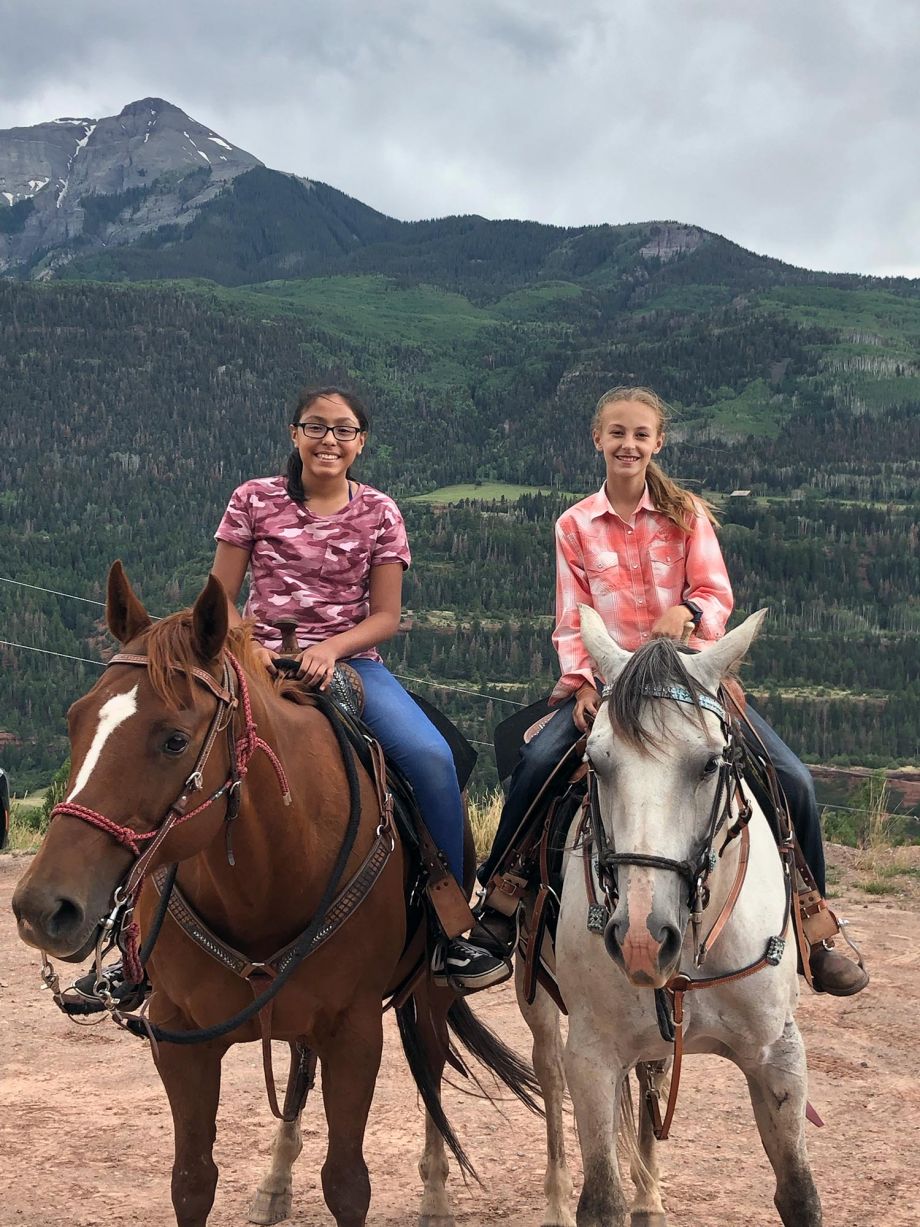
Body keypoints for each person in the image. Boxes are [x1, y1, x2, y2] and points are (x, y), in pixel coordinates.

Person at [476, 385, 867, 997]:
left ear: (657, 442)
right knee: (536, 762)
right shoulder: (574, 524)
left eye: (640, 435)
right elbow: (572, 612)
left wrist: (687, 612)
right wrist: (580, 680)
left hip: (691, 681)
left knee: (792, 778)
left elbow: (715, 594)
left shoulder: (687, 515)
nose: (628, 444)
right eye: (617, 433)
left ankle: (813, 925)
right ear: (597, 439)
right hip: (612, 683)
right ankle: (501, 902)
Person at [210, 385, 509, 993]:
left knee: (430, 758)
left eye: (343, 430)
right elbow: (220, 597)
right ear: (294, 434)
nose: (329, 440)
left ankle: (448, 926)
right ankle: (135, 928)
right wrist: (260, 653)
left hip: (352, 662)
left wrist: (328, 650)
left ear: (361, 443)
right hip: (252, 658)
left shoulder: (381, 511)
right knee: (178, 745)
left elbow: (386, 616)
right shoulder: (253, 499)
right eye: (316, 427)